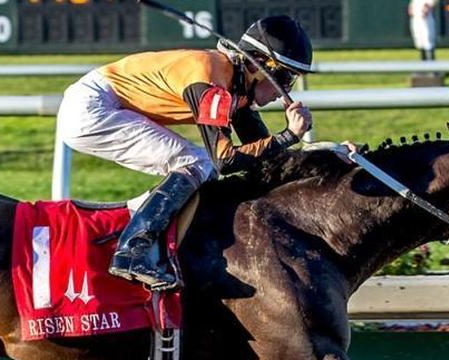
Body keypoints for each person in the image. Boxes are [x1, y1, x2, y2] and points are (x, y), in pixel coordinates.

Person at [56, 15, 317, 291]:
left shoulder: (238, 83)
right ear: (258, 64)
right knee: (197, 161)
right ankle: (132, 251)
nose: (285, 91)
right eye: (285, 77)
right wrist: (288, 135)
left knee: (199, 166)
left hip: (106, 102)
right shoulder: (212, 80)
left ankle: (154, 236)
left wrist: (324, 154)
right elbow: (225, 160)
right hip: (92, 108)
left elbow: (267, 158)